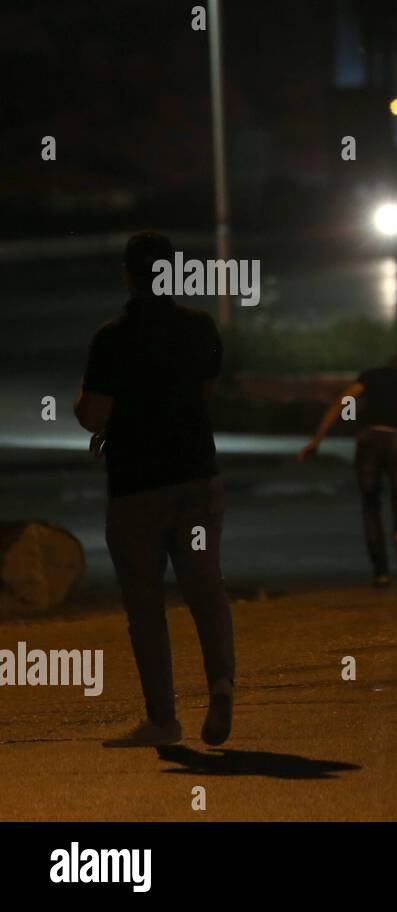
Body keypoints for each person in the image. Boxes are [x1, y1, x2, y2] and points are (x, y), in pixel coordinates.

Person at [75, 231, 235, 748]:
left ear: (128, 275)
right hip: (196, 478)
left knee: (145, 605)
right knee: (205, 588)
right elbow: (205, 394)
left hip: (136, 489)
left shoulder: (112, 338)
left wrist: (100, 417)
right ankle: (221, 686)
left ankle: (163, 720)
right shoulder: (201, 327)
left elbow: (94, 413)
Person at [299, 355, 397, 587]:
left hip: (369, 437)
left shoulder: (371, 376)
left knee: (370, 506)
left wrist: (317, 440)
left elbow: (344, 400)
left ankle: (381, 572)